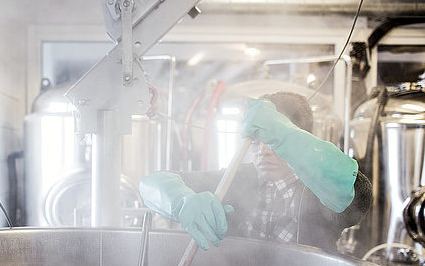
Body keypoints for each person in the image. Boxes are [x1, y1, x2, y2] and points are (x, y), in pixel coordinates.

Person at [139, 91, 372, 253]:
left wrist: (283, 133)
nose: (263, 152)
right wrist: (181, 201)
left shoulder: (322, 191)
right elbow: (152, 182)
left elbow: (356, 195)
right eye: (256, 141)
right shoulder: (234, 179)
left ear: (301, 142)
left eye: (273, 141)